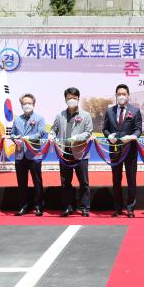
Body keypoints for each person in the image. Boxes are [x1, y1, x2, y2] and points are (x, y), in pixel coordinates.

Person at [51, 87, 93, 217]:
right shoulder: (60, 116)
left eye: (74, 98)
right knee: (65, 182)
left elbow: (88, 132)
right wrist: (51, 135)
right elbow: (53, 129)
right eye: (69, 98)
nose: (72, 100)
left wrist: (77, 138)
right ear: (65, 99)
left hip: (80, 153)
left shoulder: (85, 115)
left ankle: (85, 207)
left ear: (78, 99)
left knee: (84, 182)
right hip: (65, 153)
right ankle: (68, 207)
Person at [103, 84, 143, 217]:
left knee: (131, 180)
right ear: (115, 96)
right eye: (119, 94)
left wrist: (132, 136)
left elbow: (138, 129)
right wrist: (109, 136)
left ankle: (130, 208)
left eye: (123, 94)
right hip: (115, 149)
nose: (121, 96)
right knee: (116, 179)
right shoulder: (109, 111)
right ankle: (117, 208)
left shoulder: (135, 111)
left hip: (130, 149)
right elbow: (105, 129)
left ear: (128, 96)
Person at [11, 93, 46, 216]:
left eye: (29, 103)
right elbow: (12, 134)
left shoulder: (39, 118)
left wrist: (28, 138)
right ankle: (23, 206)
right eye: (24, 103)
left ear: (34, 104)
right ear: (21, 105)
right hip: (20, 155)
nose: (27, 105)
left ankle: (39, 206)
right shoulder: (18, 119)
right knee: (21, 182)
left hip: (34, 154)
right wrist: (15, 139)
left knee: (37, 182)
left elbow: (41, 133)